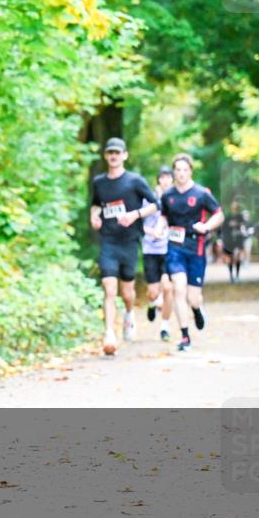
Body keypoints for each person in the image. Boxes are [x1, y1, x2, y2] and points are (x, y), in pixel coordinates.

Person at [89, 138, 160, 355]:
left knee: (126, 292)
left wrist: (135, 214)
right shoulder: (99, 182)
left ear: (125, 156)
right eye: (110, 152)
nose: (113, 156)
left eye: (117, 153)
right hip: (108, 242)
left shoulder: (135, 181)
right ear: (105, 156)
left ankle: (129, 314)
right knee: (109, 289)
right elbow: (95, 205)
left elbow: (157, 204)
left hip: (129, 241)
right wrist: (95, 217)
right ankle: (110, 333)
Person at [160, 153, 224, 351]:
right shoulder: (167, 195)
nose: (181, 173)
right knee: (178, 288)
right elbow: (163, 217)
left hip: (195, 248)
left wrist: (206, 227)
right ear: (173, 172)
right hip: (174, 248)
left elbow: (219, 214)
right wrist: (159, 229)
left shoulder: (201, 193)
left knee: (192, 297)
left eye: (184, 170)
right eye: (177, 170)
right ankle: (185, 336)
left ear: (190, 171)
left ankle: (196, 309)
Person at [143, 165, 174, 341]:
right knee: (154, 292)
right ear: (158, 180)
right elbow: (140, 223)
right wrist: (152, 232)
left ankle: (165, 327)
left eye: (168, 177)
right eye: (162, 177)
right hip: (150, 249)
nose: (165, 181)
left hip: (169, 249)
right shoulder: (148, 200)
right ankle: (152, 302)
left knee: (168, 288)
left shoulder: (175, 199)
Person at [220, 201, 246, 283]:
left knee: (237, 257)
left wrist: (237, 225)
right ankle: (231, 276)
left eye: (236, 206)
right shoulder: (228, 217)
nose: (234, 207)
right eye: (233, 206)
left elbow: (243, 226)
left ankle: (237, 276)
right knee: (230, 258)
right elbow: (224, 228)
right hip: (229, 240)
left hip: (238, 240)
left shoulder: (240, 217)